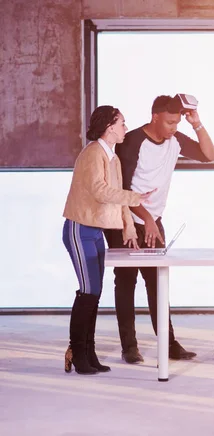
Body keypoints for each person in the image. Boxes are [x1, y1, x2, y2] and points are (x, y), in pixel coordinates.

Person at [104, 94, 214, 364]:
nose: (173, 128)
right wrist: (147, 218)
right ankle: (129, 347)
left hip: (154, 220)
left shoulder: (175, 139)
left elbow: (209, 156)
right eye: (169, 122)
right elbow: (123, 190)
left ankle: (168, 343)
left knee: (158, 283)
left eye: (177, 122)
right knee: (126, 283)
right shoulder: (132, 142)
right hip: (126, 222)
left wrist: (197, 124)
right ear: (154, 117)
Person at [62, 106, 153, 375]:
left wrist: (129, 228)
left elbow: (118, 194)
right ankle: (78, 353)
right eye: (123, 123)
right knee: (88, 292)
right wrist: (136, 198)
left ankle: (88, 353)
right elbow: (100, 191)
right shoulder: (93, 153)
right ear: (110, 126)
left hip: (96, 231)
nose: (126, 128)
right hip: (80, 230)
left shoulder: (112, 158)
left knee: (95, 293)